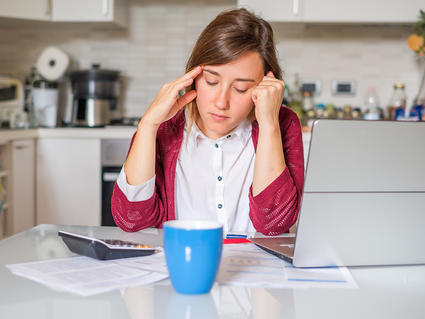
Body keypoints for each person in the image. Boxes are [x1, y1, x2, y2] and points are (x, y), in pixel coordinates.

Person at [111, 8, 304, 236]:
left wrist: (269, 124)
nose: (222, 102)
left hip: (257, 269)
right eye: (212, 82)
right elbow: (131, 221)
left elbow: (274, 225)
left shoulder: (282, 124)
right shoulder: (165, 127)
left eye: (241, 88)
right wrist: (147, 126)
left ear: (265, 86)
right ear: (194, 77)